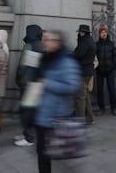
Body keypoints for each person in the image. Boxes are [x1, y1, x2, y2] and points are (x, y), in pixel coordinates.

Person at [34, 30, 81, 173]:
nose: (44, 42)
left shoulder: (66, 61)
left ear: (57, 42)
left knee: (61, 157)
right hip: (42, 116)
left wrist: (48, 83)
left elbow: (73, 86)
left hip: (56, 117)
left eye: (48, 39)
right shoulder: (46, 58)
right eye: (44, 39)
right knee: (42, 155)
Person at [14, 24, 43, 147]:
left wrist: (19, 80)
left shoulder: (31, 46)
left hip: (28, 84)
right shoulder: (41, 45)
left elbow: (24, 67)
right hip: (36, 83)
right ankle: (30, 134)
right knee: (32, 111)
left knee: (26, 111)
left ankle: (29, 137)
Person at [74, 24, 96, 125]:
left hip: (83, 71)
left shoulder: (84, 42)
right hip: (88, 71)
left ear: (83, 32)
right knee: (85, 95)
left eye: (80, 32)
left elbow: (78, 54)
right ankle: (90, 118)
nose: (79, 33)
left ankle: (80, 120)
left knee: (80, 98)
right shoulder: (90, 40)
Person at [95, 26, 116, 116]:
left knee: (112, 90)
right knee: (100, 91)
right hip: (100, 71)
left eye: (105, 32)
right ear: (99, 34)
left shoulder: (111, 44)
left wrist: (113, 67)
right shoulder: (96, 44)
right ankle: (101, 108)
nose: (104, 33)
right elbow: (94, 57)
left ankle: (114, 108)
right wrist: (97, 67)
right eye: (102, 32)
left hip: (110, 71)